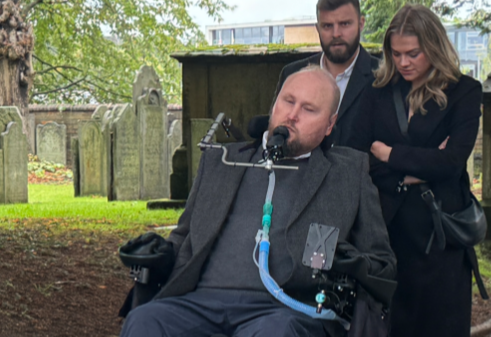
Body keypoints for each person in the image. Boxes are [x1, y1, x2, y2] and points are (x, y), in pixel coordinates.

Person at [119, 66, 396, 337]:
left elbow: (383, 263)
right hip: (200, 301)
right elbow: (184, 237)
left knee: (274, 332)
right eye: (288, 101)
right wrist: (161, 252)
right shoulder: (222, 160)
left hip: (283, 310)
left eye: (309, 109)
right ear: (274, 104)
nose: (293, 115)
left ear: (330, 125)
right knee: (145, 321)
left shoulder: (347, 174)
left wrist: (354, 263)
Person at [347, 4, 483, 337]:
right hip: (386, 234)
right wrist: (419, 165)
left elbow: (451, 163)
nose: (404, 63)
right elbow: (354, 155)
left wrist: (389, 153)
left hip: (440, 240)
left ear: (434, 47)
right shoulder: (376, 93)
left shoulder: (464, 92)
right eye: (396, 54)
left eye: (413, 54)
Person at [271, 0, 379, 146]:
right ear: (317, 28)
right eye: (327, 26)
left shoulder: (382, 76)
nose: (336, 34)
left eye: (345, 24)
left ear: (361, 24)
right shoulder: (293, 73)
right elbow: (277, 132)